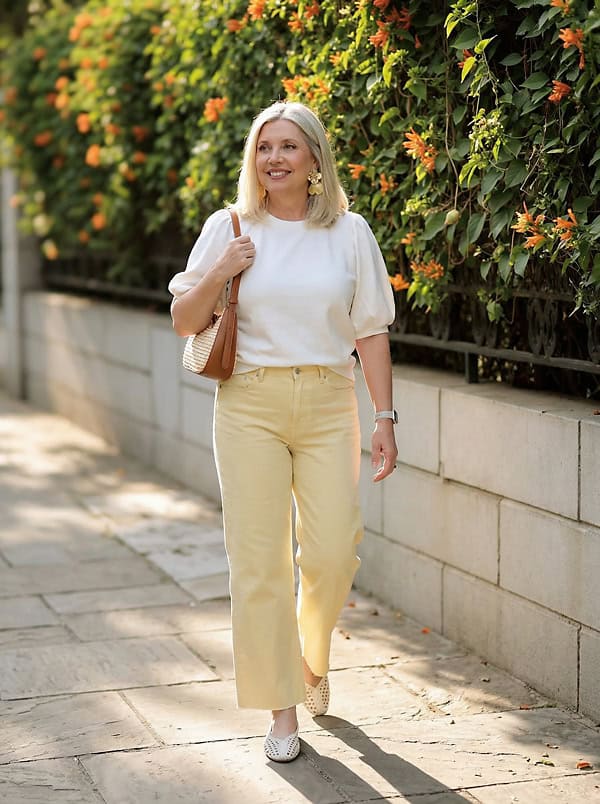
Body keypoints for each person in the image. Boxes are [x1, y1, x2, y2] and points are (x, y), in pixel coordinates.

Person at [168, 101, 398, 763]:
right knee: (259, 562)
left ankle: (312, 657)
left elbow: (371, 331)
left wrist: (383, 418)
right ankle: (281, 714)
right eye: (264, 146)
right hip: (249, 405)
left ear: (314, 159)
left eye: (288, 147)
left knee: (332, 552)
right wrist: (222, 268)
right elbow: (186, 320)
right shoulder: (230, 225)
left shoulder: (350, 233)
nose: (274, 158)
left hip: (329, 402)